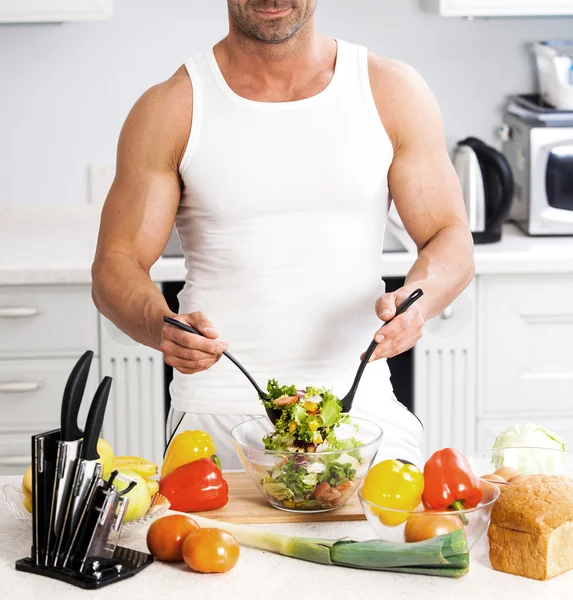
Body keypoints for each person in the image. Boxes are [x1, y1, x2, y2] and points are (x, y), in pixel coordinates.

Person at [91, 0, 475, 469]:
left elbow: (448, 234)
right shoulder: (171, 107)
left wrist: (421, 298)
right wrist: (158, 324)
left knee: (399, 539)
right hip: (217, 408)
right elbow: (116, 260)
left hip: (359, 404)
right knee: (202, 546)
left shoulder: (391, 91)